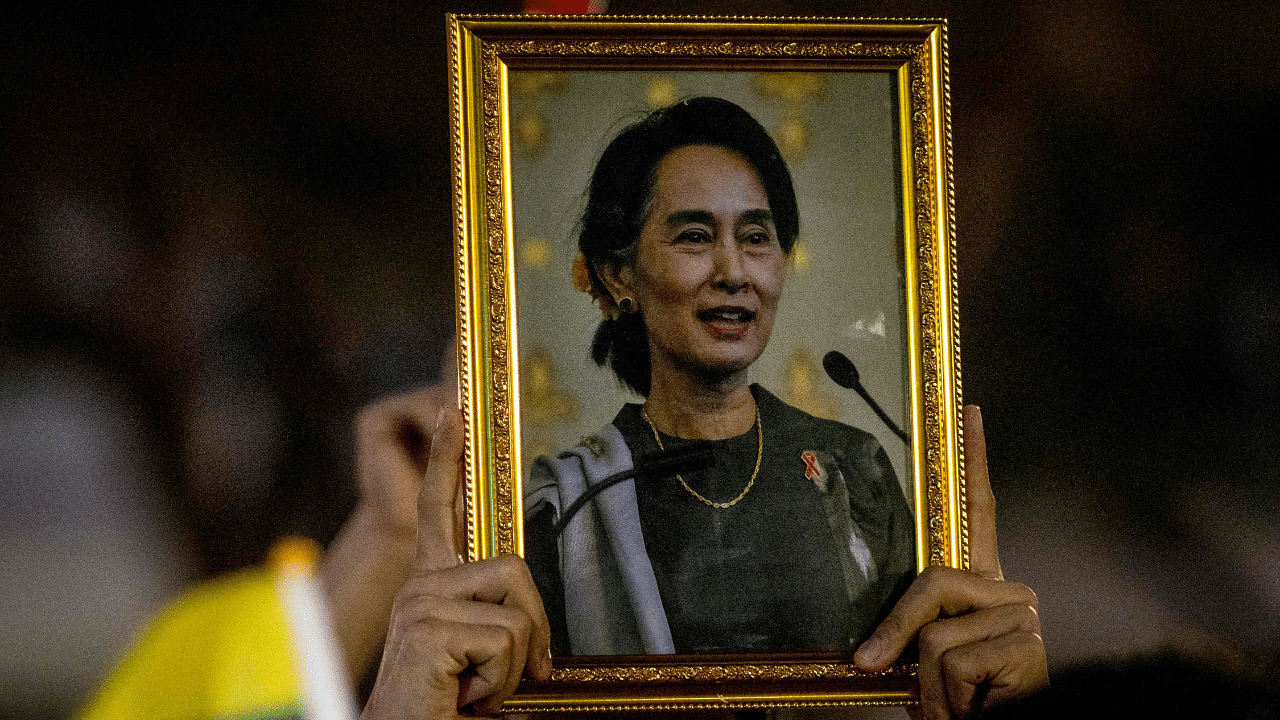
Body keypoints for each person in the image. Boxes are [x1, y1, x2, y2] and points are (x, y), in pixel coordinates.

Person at [520, 97, 914, 656]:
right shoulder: (571, 503)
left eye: (755, 238)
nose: (734, 274)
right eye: (695, 237)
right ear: (618, 274)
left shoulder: (853, 469)